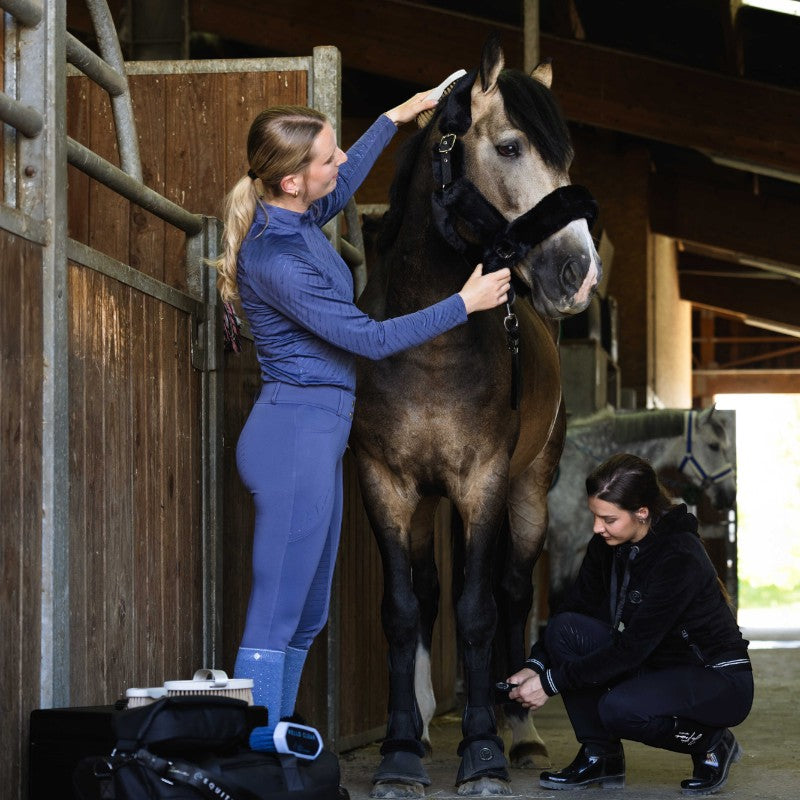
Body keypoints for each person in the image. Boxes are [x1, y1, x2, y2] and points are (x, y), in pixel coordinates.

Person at [214, 89, 512, 752]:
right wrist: (463, 303)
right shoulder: (277, 258)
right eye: (328, 156)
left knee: (307, 613)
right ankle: (249, 751)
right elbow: (369, 339)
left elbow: (343, 186)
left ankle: (268, 742)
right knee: (276, 612)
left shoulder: (297, 217)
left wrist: (395, 119)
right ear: (292, 182)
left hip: (318, 436)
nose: (341, 161)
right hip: (293, 436)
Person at [507, 453, 753, 795]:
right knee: (565, 628)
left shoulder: (679, 556)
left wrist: (550, 683)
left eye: (608, 519)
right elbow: (576, 608)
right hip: (657, 664)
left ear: (642, 512)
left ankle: (712, 742)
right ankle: (601, 756)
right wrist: (536, 664)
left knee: (619, 710)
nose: (597, 527)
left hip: (716, 678)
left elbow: (630, 650)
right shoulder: (607, 544)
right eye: (595, 516)